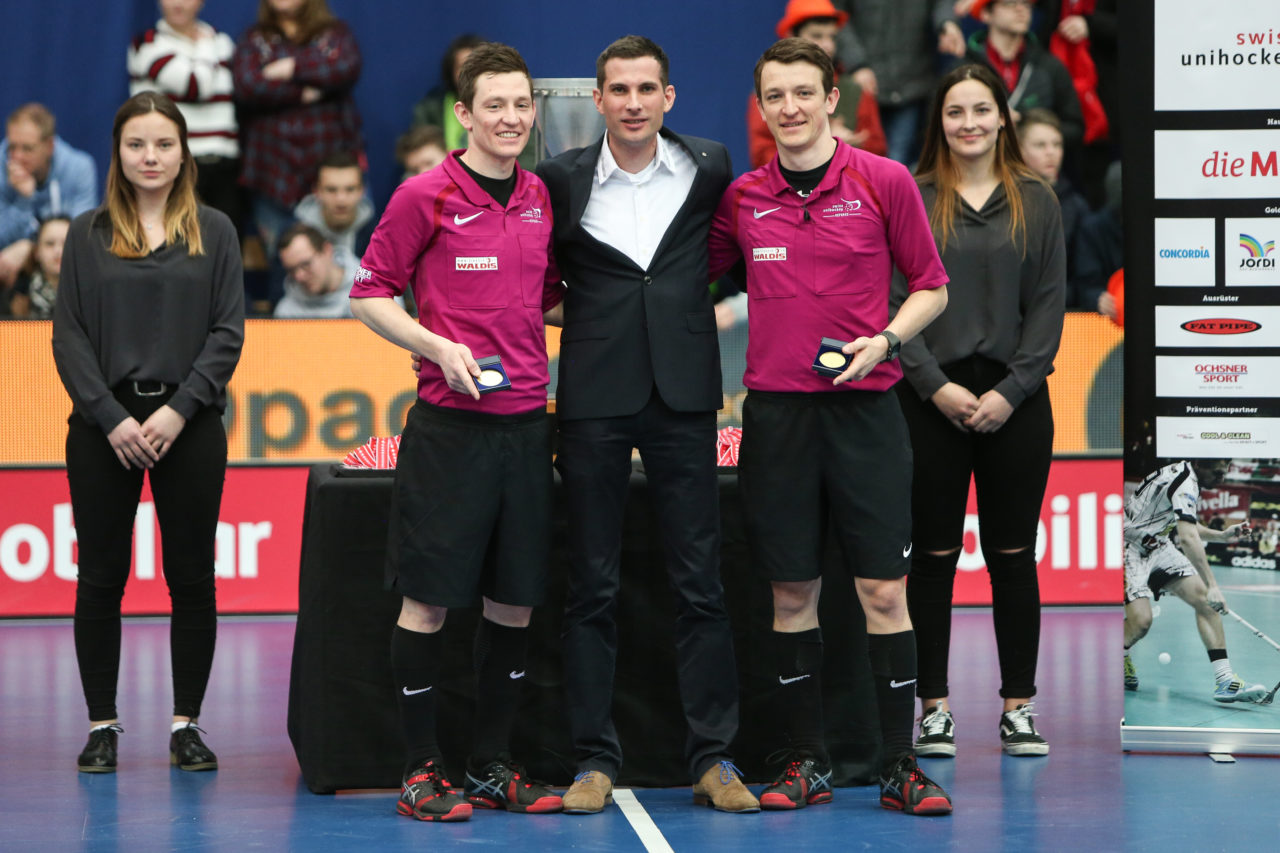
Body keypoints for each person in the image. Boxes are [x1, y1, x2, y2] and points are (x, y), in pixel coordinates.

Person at [708, 37, 951, 816]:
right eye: (774, 95)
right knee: (791, 592)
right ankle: (805, 761)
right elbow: (681, 277)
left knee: (884, 590)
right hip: (776, 417)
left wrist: (884, 339)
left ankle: (898, 764)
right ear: (761, 106)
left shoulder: (883, 181)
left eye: (803, 92)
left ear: (832, 96)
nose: (789, 108)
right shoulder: (743, 198)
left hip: (868, 412)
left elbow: (932, 287)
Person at [535, 35, 758, 815]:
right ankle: (593, 759)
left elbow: (729, 256)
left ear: (670, 97)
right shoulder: (558, 180)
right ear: (596, 101)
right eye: (618, 89)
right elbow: (540, 283)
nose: (632, 102)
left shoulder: (712, 167)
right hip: (594, 393)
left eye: (646, 89)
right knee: (590, 583)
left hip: (687, 392)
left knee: (701, 582)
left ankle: (713, 757)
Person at [349, 42, 565, 824]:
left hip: (525, 432)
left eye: (521, 105)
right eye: (494, 106)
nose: (510, 119)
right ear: (464, 115)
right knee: (430, 603)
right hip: (449, 432)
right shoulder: (424, 195)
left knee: (514, 604)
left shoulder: (542, 196)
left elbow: (548, 300)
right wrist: (436, 345)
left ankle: (491, 766)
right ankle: (418, 770)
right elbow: (368, 294)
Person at [51, 91, 244, 775]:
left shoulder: (216, 230)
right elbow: (68, 335)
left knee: (191, 577)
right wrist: (111, 416)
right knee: (100, 578)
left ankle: (186, 723)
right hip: (102, 429)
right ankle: (101, 723)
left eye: (164, 143)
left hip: (188, 426)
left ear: (184, 151)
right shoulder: (86, 232)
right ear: (119, 152)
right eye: (138, 144)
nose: (151, 156)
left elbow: (228, 333)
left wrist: (177, 409)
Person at [894, 63, 1064, 761]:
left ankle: (1018, 707)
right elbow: (892, 300)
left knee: (1013, 554)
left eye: (981, 110)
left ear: (1003, 117)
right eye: (955, 112)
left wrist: (1010, 391)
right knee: (931, 557)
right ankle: (933, 708)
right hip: (930, 401)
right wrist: (933, 384)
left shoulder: (1038, 200)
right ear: (940, 121)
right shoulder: (911, 194)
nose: (968, 123)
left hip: (1014, 402)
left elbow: (1049, 307)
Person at [232, 0, 362, 303]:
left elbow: (345, 67)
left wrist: (291, 68)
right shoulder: (255, 40)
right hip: (272, 174)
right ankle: (283, 341)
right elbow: (248, 85)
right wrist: (309, 89)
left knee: (348, 263)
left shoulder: (334, 33)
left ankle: (361, 338)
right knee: (285, 263)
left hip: (330, 173)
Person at [1123, 460, 1267, 703]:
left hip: (1158, 546)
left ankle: (1225, 680)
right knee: (1141, 622)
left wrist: (1220, 536)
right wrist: (1213, 585)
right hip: (1128, 547)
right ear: (1201, 463)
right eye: (1218, 472)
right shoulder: (1184, 480)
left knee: (1204, 602)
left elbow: (1185, 522)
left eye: (1225, 471)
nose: (1221, 478)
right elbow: (1187, 537)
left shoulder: (1187, 475)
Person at [128, 0, 242, 231]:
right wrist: (205, 46)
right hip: (176, 167)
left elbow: (247, 91)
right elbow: (195, 87)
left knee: (226, 251)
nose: (178, 3)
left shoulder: (223, 42)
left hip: (225, 167)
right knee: (177, 250)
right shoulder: (147, 44)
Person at [747, 0, 886, 168]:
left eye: (832, 37)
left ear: (832, 98)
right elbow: (762, 157)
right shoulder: (766, 93)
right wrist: (819, 144)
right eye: (816, 36)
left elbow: (877, 153)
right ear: (792, 35)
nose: (827, 45)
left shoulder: (856, 90)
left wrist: (843, 147)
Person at [832, 0, 966, 165]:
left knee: (896, 164)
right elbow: (836, 15)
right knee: (860, 162)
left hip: (910, 82)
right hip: (862, 85)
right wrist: (857, 64)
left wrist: (946, 23)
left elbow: (942, 3)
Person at [964, 0, 1084, 156]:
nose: (1021, 9)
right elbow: (940, 125)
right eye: (1009, 3)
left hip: (1034, 173)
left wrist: (1025, 124)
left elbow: (1075, 128)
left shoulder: (1050, 66)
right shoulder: (964, 68)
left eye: (1026, 4)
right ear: (986, 14)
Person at [0, 104, 98, 287]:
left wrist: (30, 247)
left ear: (49, 146)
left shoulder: (79, 168)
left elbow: (81, 237)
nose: (17, 157)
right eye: (12, 147)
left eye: (27, 149)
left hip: (64, 277)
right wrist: (23, 202)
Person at [1017, 109, 1086, 296]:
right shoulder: (1002, 201)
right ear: (1019, 150)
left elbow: (1082, 277)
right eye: (1040, 145)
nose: (1051, 152)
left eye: (1057, 144)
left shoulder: (1076, 206)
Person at [292, 151, 375, 259]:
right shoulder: (293, 235)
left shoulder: (378, 237)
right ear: (316, 192)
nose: (341, 200)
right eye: (331, 190)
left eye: (350, 189)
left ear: (362, 192)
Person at [273, 222, 355, 318]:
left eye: (305, 264)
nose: (299, 276)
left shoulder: (370, 292)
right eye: (291, 270)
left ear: (327, 250)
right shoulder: (286, 313)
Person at [9, 215, 70, 319]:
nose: (58, 251)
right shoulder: (17, 295)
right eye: (50, 244)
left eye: (66, 243)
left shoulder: (91, 293)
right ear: (37, 251)